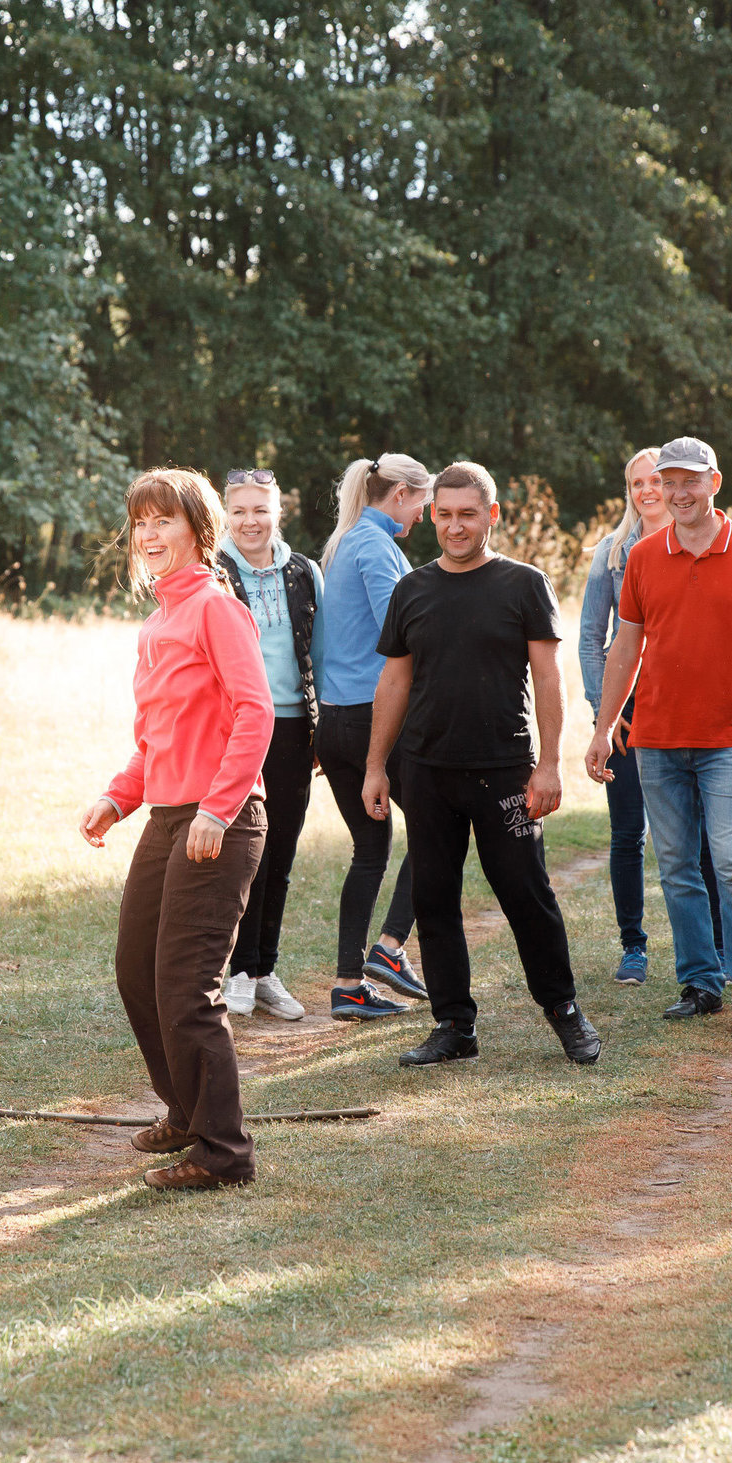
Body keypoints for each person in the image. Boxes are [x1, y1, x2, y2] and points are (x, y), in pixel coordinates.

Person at [78, 468, 273, 1191]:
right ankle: (186, 1112)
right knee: (137, 972)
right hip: (166, 817)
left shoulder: (217, 610)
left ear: (199, 529)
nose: (150, 534)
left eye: (165, 520)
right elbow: (156, 737)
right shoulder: (158, 620)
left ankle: (225, 1153)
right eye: (141, 523)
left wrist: (218, 809)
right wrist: (116, 797)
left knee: (188, 988)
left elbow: (256, 713)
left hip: (220, 819)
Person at [367, 463, 599, 1068]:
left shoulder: (524, 584)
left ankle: (565, 1011)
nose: (454, 526)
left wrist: (548, 765)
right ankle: (453, 1026)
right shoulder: (412, 589)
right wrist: (375, 766)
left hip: (505, 773)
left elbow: (548, 677)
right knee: (435, 899)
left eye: (467, 514)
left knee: (527, 895)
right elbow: (393, 680)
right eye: (443, 514)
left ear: (492, 515)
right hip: (427, 772)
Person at [583, 436, 732, 1046]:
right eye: (668, 482)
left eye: (689, 482)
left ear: (714, 483)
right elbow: (625, 646)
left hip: (728, 739)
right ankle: (700, 982)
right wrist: (603, 729)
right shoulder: (644, 556)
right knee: (675, 868)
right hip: (655, 740)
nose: (677, 494)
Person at [315, 453, 434, 1019]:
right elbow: (403, 630)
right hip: (374, 719)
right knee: (438, 826)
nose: (424, 517)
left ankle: (347, 986)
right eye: (422, 504)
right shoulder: (376, 547)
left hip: (334, 721)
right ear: (402, 494)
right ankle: (388, 949)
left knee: (370, 849)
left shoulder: (342, 544)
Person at [216, 468, 319, 1021]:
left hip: (294, 730)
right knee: (240, 855)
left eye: (261, 510)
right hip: (233, 732)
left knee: (279, 853)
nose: (251, 521)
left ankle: (263, 971)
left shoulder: (305, 572)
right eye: (240, 512)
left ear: (278, 512)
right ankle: (235, 972)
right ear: (226, 517)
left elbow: (318, 655)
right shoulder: (212, 573)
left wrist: (319, 728)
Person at [579, 447, 681, 988]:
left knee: (692, 831)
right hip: (627, 709)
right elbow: (591, 640)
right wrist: (606, 712)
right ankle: (633, 946)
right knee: (627, 832)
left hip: (682, 706)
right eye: (637, 483)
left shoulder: (690, 546)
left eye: (656, 481)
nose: (647, 491)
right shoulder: (611, 554)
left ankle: (708, 944)